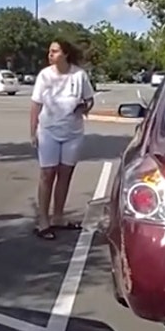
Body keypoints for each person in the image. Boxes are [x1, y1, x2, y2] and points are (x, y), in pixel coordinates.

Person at [28, 39, 95, 239]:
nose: (50, 54)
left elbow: (89, 100)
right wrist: (33, 132)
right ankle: (43, 221)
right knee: (47, 174)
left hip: (72, 133)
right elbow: (35, 105)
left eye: (55, 51)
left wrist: (83, 108)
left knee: (65, 174)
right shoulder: (44, 76)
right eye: (49, 51)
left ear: (65, 54)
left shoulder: (79, 75)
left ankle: (58, 217)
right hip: (48, 131)